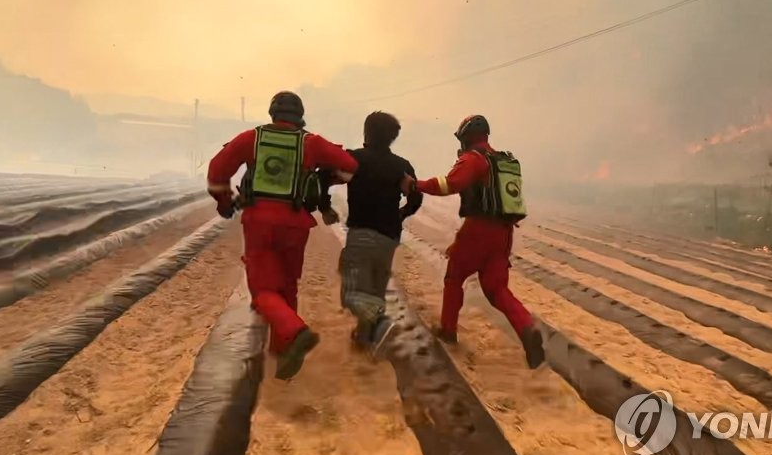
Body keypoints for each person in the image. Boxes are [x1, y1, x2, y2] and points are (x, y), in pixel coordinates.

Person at [207, 90, 359, 380]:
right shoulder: (310, 142)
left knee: (264, 290)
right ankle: (282, 352)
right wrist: (324, 179)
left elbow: (216, 171)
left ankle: (295, 332)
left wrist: (224, 203)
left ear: (272, 112)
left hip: (259, 222)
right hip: (295, 223)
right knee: (288, 287)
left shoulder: (252, 138)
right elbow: (350, 166)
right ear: (299, 116)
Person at [401, 115, 544, 369]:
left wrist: (416, 185)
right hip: (504, 232)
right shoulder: (504, 160)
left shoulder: (473, 160)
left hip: (478, 229)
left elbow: (449, 184)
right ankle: (527, 328)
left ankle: (448, 330)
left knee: (454, 276)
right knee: (497, 289)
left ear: (466, 137)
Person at [328, 111, 423, 356]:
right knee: (375, 289)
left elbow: (325, 179)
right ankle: (364, 341)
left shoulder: (355, 161)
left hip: (362, 232)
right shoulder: (402, 166)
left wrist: (321, 204)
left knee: (352, 291)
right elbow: (415, 197)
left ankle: (380, 325)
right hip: (389, 238)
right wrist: (400, 216)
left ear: (366, 133)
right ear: (393, 137)